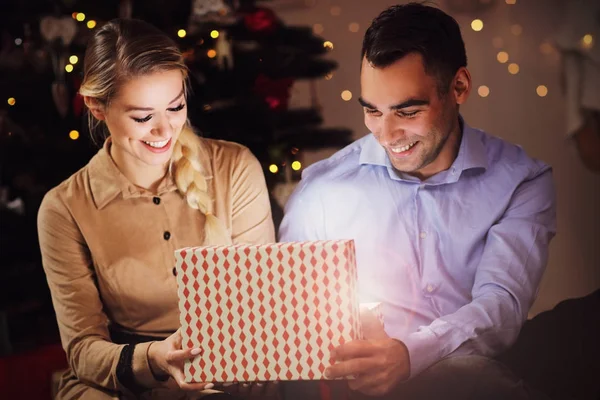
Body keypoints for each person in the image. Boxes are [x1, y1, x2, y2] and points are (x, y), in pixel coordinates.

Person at [279, 3, 556, 399]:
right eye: (372, 111)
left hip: (472, 383)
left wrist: (409, 356)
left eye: (407, 111)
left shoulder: (521, 181)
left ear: (459, 87)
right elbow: (291, 327)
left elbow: (501, 308)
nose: (386, 133)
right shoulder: (322, 191)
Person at [37, 19, 276, 399]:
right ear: (96, 107)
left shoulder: (235, 168)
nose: (166, 131)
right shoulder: (64, 208)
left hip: (231, 372)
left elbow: (262, 305)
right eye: (143, 117)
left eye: (176, 106)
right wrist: (153, 359)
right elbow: (83, 350)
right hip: (124, 382)